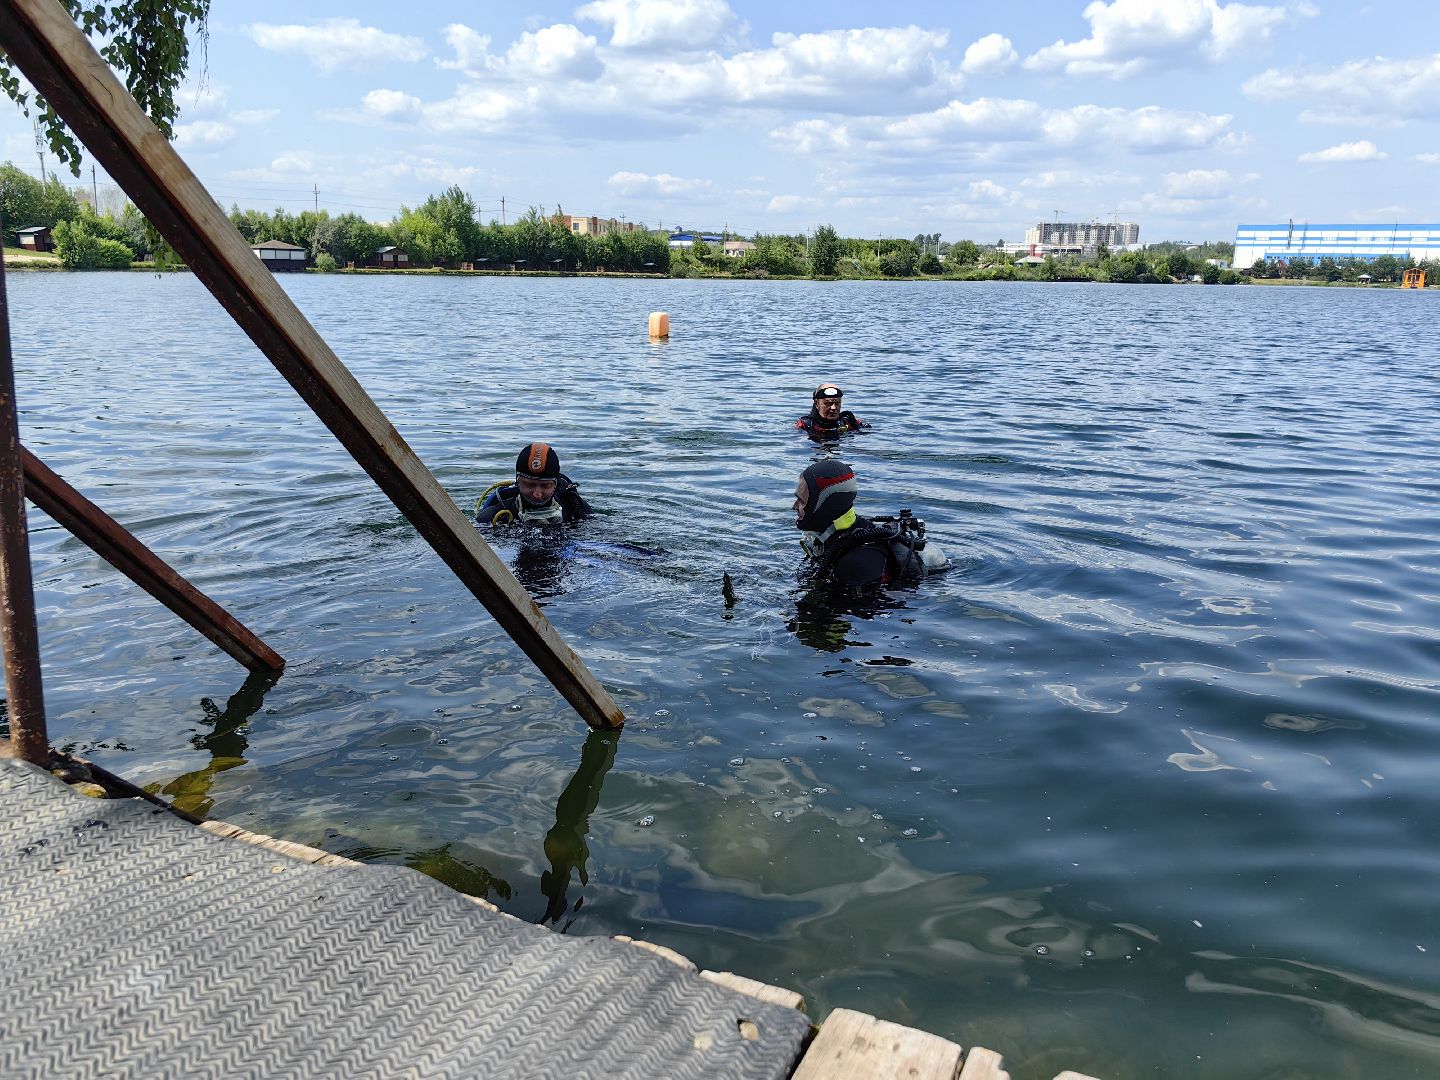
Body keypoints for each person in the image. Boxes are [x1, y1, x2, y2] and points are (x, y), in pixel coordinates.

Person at [793, 459, 946, 588]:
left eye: (802, 500)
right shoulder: (847, 535)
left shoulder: (853, 564)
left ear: (824, 504)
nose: (794, 506)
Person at [475, 442, 592, 527]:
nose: (537, 494)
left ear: (555, 484)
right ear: (518, 482)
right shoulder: (498, 513)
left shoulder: (573, 506)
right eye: (530, 485)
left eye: (545, 486)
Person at [796, 383, 865, 439]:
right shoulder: (804, 425)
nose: (833, 408)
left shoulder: (849, 422)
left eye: (837, 403)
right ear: (817, 404)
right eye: (828, 403)